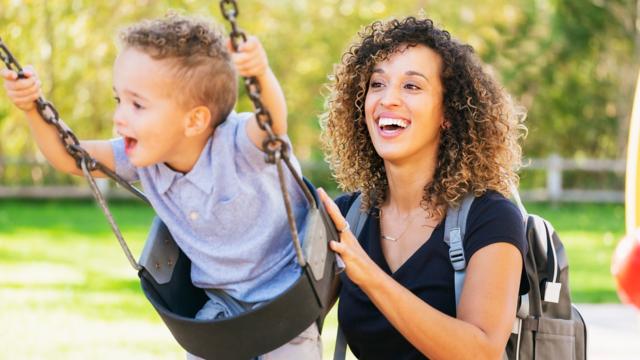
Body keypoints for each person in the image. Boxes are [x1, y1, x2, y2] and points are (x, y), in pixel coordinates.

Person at [1, 13, 320, 359]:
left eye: (137, 104)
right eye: (118, 100)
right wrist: (32, 108)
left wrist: (260, 73)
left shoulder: (239, 144)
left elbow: (272, 122)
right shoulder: (144, 158)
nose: (120, 117)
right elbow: (72, 157)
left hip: (288, 302)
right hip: (219, 308)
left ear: (195, 119)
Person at [317, 16, 529, 359]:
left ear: (448, 112)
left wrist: (369, 275)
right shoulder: (346, 218)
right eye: (377, 84)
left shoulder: (490, 219)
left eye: (411, 86)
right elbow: (283, 326)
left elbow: (483, 351)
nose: (388, 99)